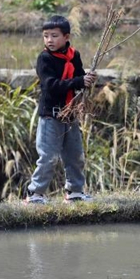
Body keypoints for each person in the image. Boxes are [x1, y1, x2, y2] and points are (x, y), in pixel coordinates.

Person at [26, 15, 97, 204]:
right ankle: (35, 193)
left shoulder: (74, 56)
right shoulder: (45, 59)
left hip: (70, 114)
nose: (49, 40)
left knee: (75, 155)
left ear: (66, 37)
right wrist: (78, 81)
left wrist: (87, 80)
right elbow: (51, 85)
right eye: (46, 36)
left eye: (54, 36)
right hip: (51, 114)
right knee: (48, 157)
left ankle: (74, 191)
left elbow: (79, 78)